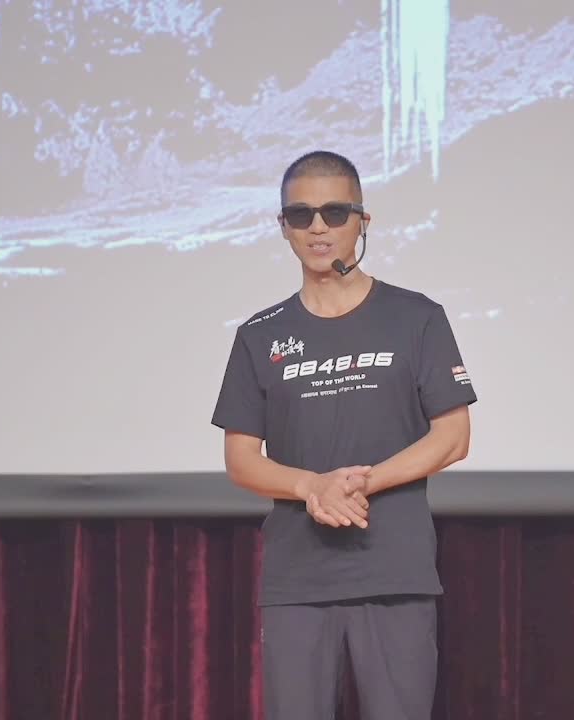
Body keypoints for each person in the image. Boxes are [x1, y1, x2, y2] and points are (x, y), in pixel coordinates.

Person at [211, 150, 477, 719]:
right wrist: (313, 486)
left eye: (334, 212)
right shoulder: (259, 335)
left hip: (395, 571)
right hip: (298, 582)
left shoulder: (417, 317)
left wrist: (359, 484)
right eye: (301, 215)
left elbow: (453, 437)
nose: (318, 227)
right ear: (283, 227)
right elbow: (241, 459)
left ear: (362, 220)